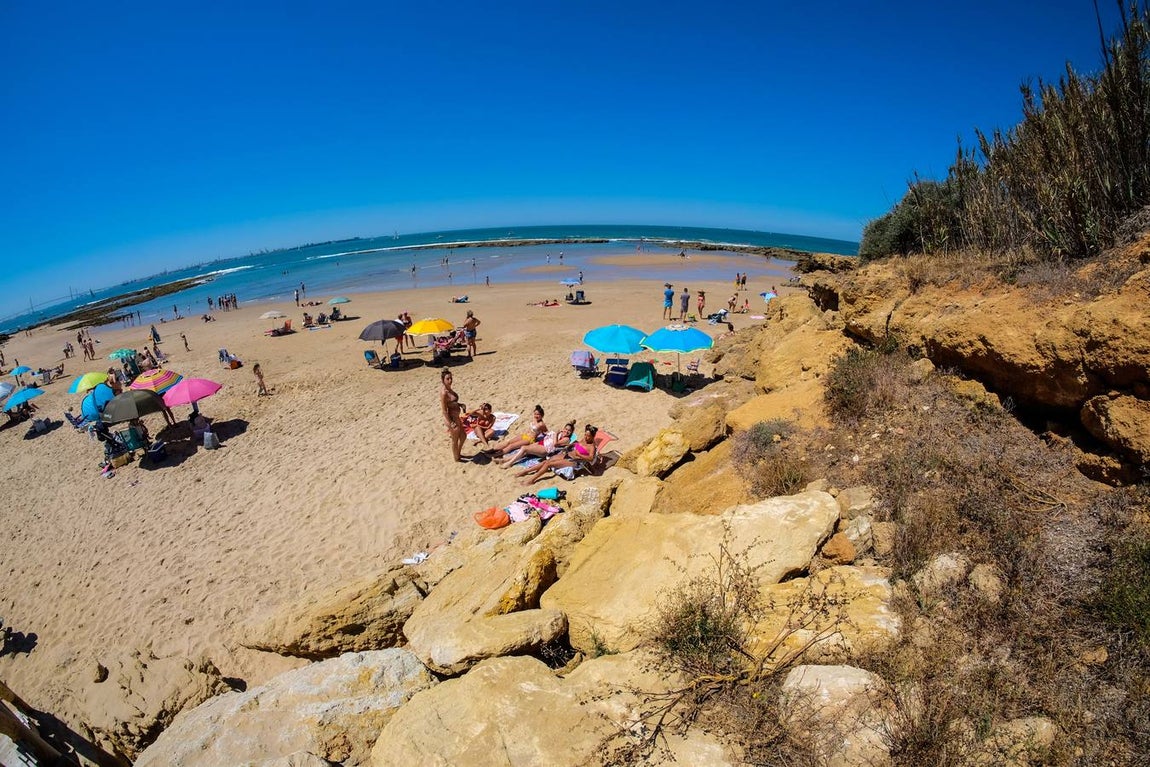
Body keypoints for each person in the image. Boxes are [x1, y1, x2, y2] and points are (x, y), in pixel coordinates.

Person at [518, 424, 598, 486]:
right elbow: (578, 445)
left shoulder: (591, 447)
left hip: (575, 461)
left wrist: (580, 455)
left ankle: (531, 480)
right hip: (568, 454)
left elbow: (591, 458)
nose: (586, 437)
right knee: (547, 461)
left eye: (588, 436)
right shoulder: (584, 439)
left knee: (549, 464)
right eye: (585, 435)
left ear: (593, 437)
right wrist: (573, 445)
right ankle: (526, 471)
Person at [498, 420, 576, 468]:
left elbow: (555, 444)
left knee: (524, 448)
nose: (566, 431)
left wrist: (556, 433)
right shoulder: (561, 433)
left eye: (569, 431)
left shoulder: (566, 439)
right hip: (542, 443)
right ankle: (505, 459)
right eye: (566, 429)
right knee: (525, 451)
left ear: (571, 433)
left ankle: (509, 463)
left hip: (545, 449)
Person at [440, 369, 468, 462]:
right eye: (447, 379)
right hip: (451, 418)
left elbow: (452, 403)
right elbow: (444, 410)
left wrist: (460, 405)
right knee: (455, 440)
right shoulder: (444, 393)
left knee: (463, 436)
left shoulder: (450, 389)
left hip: (456, 417)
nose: (450, 380)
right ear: (443, 380)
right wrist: (451, 423)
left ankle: (458, 453)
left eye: (451, 378)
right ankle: (456, 458)